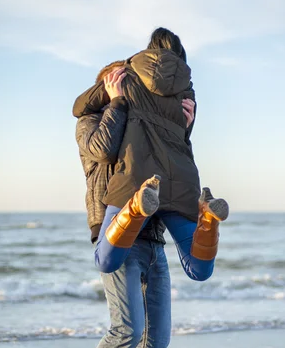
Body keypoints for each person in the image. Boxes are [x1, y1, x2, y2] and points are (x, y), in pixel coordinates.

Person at [68, 58, 196, 348]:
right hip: (117, 236)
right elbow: (103, 152)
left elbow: (170, 173)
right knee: (127, 328)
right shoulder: (90, 120)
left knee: (156, 337)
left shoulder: (147, 122)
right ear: (107, 83)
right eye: (123, 81)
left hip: (153, 239)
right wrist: (117, 102)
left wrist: (184, 128)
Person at [94, 28, 229, 281]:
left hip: (137, 180)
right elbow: (180, 142)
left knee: (105, 260)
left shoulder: (126, 75)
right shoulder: (187, 92)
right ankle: (209, 218)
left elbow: (79, 106)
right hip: (182, 183)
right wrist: (185, 128)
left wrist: (115, 98)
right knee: (199, 270)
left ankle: (135, 209)